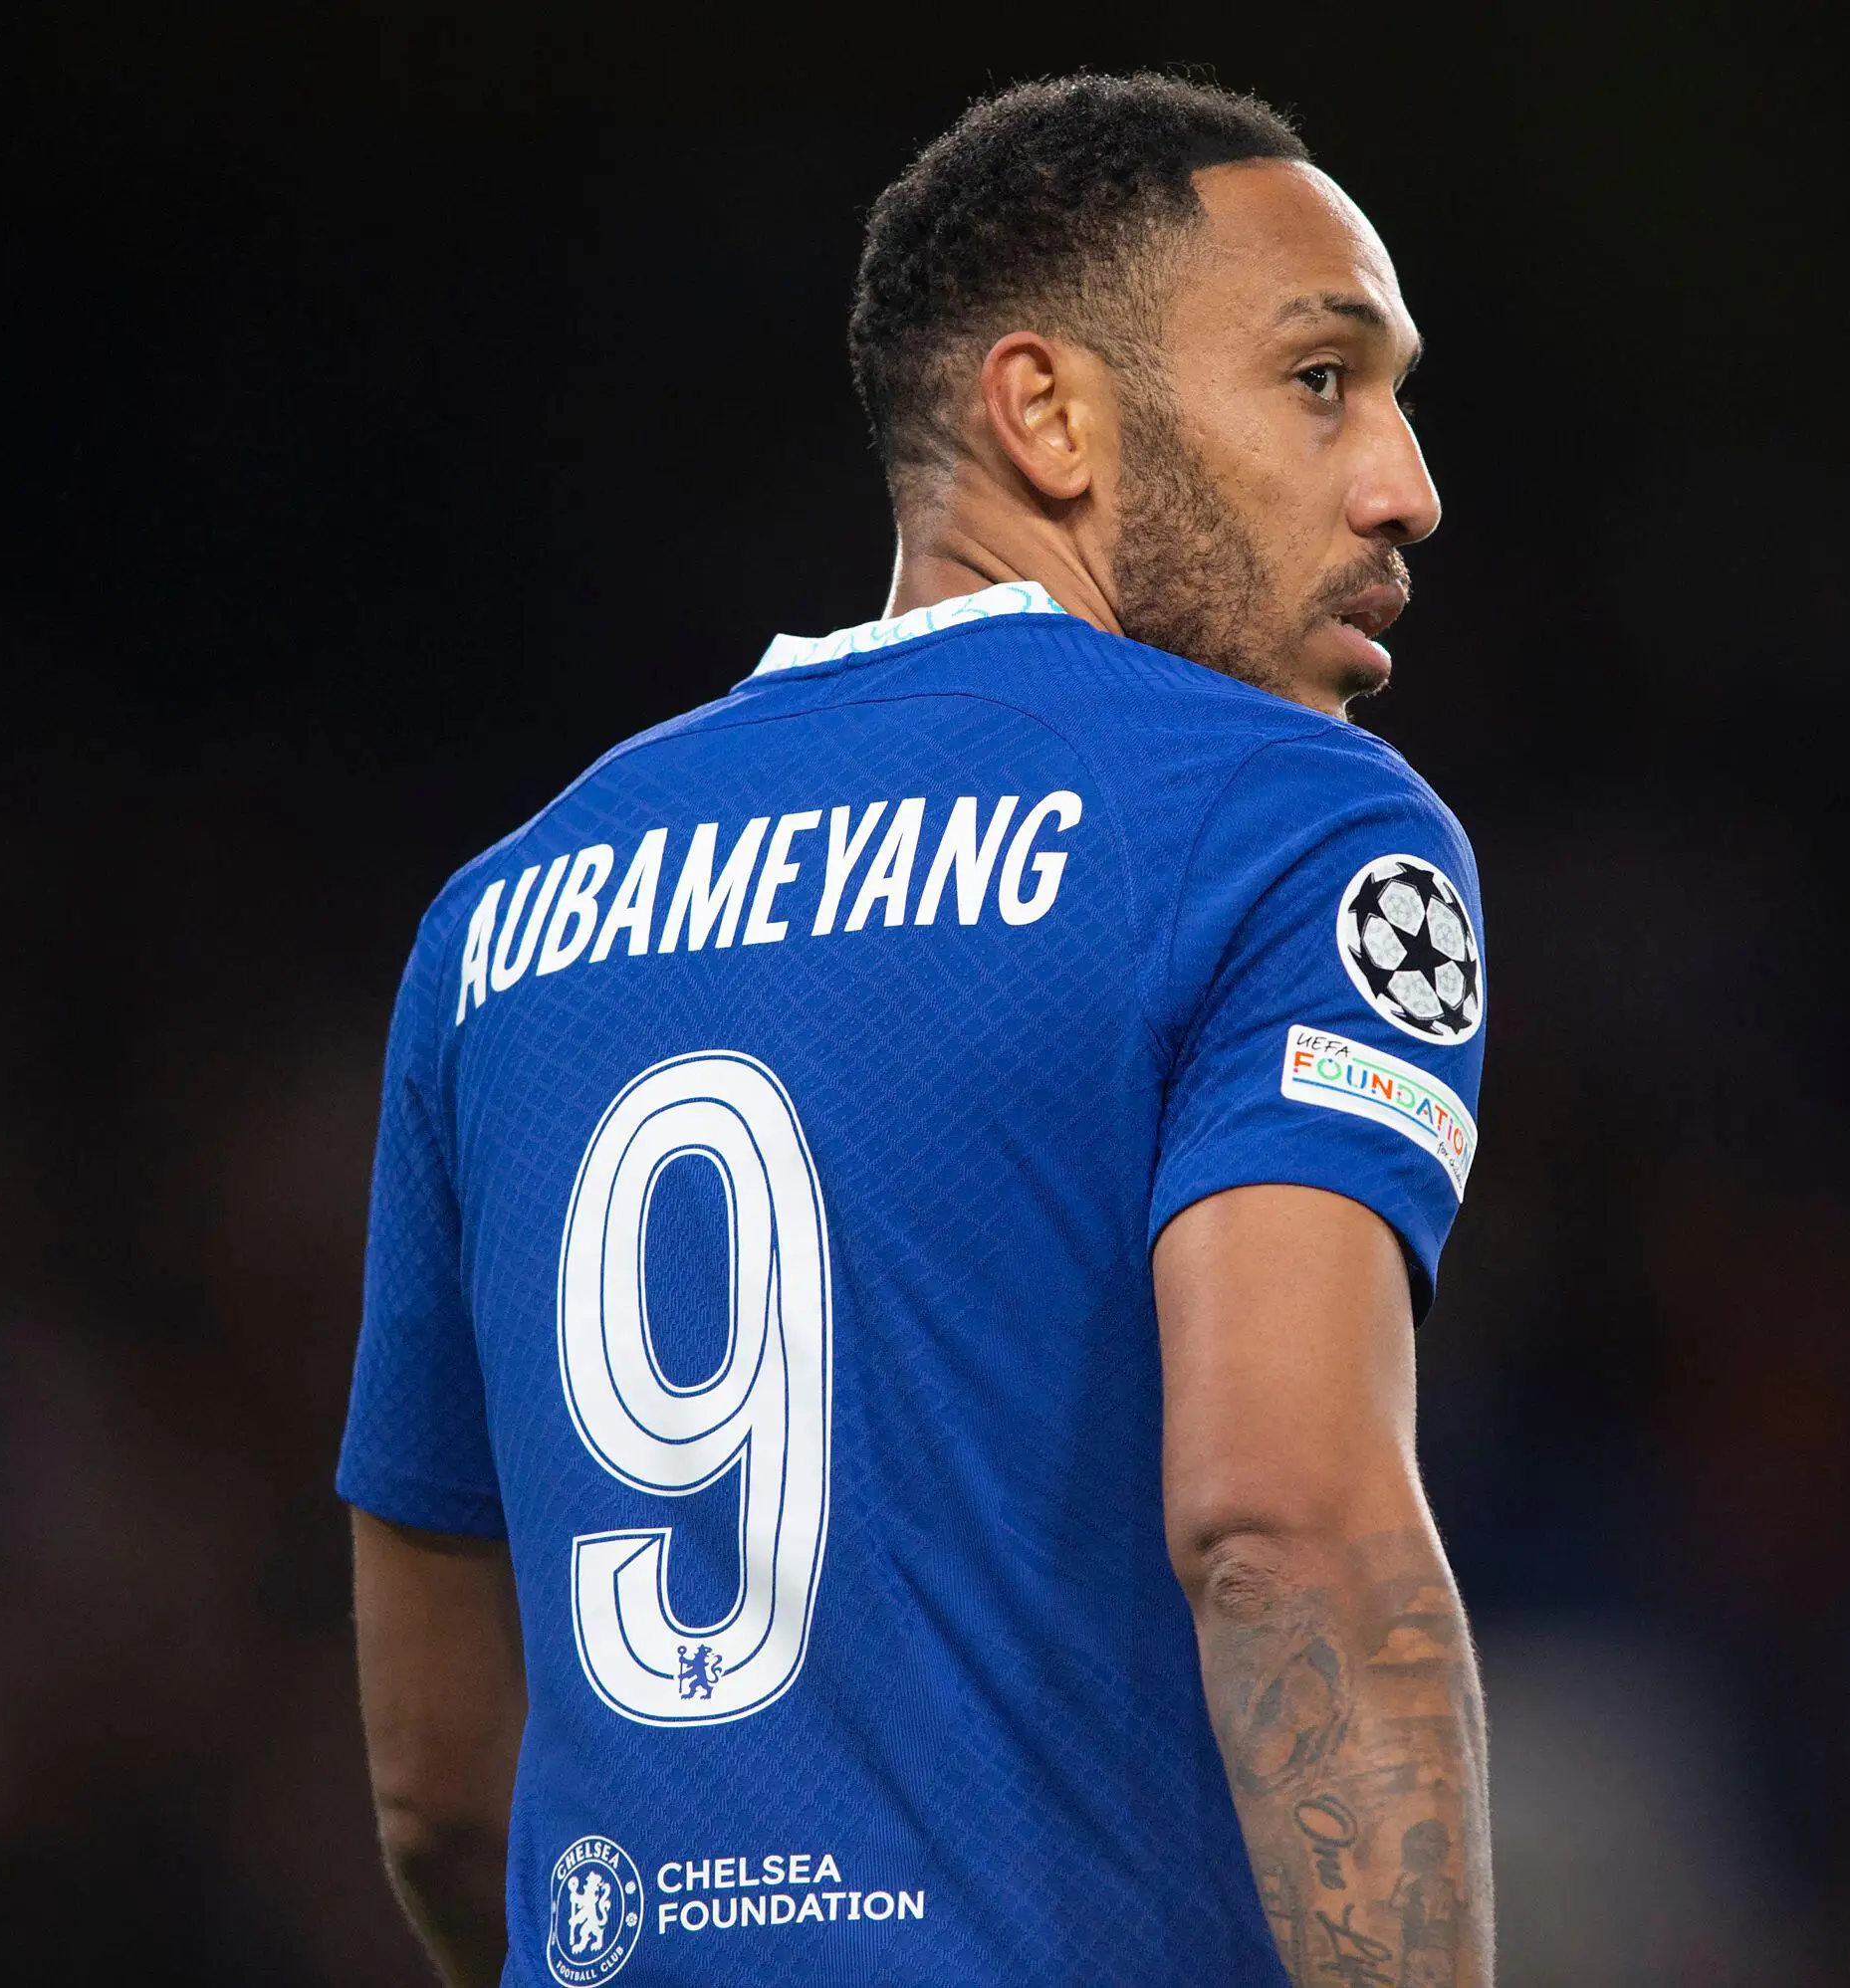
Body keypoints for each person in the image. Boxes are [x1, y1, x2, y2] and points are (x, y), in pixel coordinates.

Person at [340, 72, 1491, 1987]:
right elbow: (1288, 1524)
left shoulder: (493, 927)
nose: (1405, 485)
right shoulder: (1285, 823)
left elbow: (437, 1804)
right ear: (1046, 414)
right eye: (1321, 379)